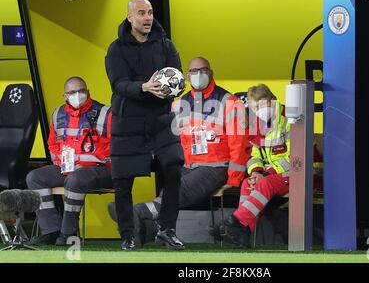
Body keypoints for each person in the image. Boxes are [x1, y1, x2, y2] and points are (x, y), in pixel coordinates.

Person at [107, 57, 251, 244]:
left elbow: (239, 144)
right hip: (189, 165)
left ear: (211, 72)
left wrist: (233, 178)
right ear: (187, 76)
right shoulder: (178, 104)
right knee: (170, 187)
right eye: (193, 71)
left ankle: (137, 212)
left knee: (179, 190)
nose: (198, 75)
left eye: (203, 70)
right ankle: (146, 231)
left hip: (216, 166)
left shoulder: (231, 103)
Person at [105, 0, 184, 251]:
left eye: (150, 12)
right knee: (123, 181)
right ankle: (128, 235)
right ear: (130, 18)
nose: (148, 17)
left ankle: (166, 229)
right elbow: (117, 84)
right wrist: (143, 87)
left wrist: (172, 90)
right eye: (141, 13)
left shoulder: (165, 45)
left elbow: (178, 77)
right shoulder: (116, 49)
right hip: (127, 122)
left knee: (173, 169)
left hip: (161, 121)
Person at [27, 76, 112, 246]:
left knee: (76, 178)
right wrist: (61, 160)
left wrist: (83, 162)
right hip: (68, 168)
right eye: (72, 92)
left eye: (81, 91)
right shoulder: (58, 114)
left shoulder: (105, 113)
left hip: (101, 169)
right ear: (65, 96)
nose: (78, 95)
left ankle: (68, 233)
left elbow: (115, 147)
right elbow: (52, 144)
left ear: (88, 92)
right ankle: (52, 230)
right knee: (34, 177)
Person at [218, 84, 291, 248]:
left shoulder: (288, 120)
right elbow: (254, 155)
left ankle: (235, 222)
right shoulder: (256, 125)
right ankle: (244, 234)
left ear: (272, 100)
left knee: (264, 183)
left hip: (294, 174)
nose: (260, 109)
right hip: (271, 176)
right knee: (247, 183)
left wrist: (267, 174)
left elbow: (295, 156)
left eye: (262, 104)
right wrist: (256, 172)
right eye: (255, 107)